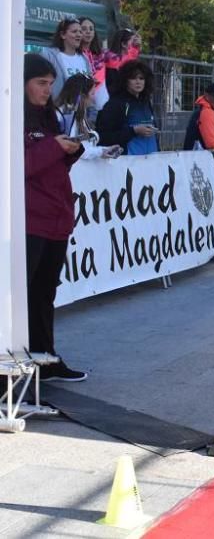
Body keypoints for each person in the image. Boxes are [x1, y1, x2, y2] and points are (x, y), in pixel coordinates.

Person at [23, 54, 87, 381]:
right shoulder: (12, 117)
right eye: (40, 83)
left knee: (45, 292)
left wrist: (72, 153)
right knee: (24, 294)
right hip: (30, 221)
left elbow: (51, 166)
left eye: (50, 83)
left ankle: (46, 358)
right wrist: (53, 149)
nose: (47, 90)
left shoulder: (49, 116)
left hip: (56, 216)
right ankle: (21, 360)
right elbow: (19, 166)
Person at [96, 59, 159, 156]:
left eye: (141, 78)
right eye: (133, 78)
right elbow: (103, 136)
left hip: (152, 161)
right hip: (128, 162)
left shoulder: (146, 102)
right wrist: (133, 131)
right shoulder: (115, 104)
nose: (138, 82)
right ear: (125, 80)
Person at [54, 73, 121, 160]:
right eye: (92, 93)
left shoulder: (79, 114)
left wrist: (103, 150)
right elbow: (73, 148)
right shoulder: (68, 115)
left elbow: (84, 148)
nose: (94, 98)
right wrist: (100, 151)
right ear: (82, 96)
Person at [39, 18, 93, 101]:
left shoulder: (84, 58)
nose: (79, 35)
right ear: (63, 35)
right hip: (56, 111)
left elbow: (90, 87)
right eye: (74, 31)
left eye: (80, 32)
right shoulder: (49, 56)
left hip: (80, 112)